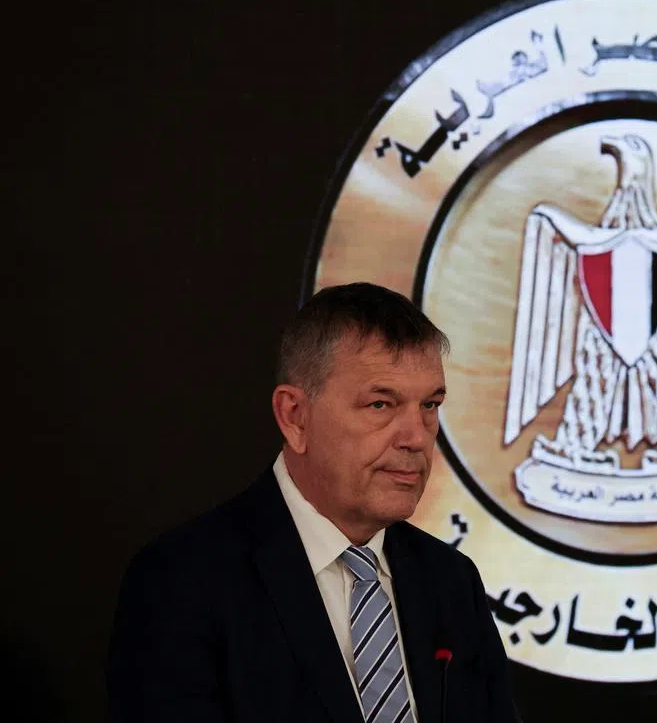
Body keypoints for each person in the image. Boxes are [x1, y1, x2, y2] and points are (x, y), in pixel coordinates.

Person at [107, 283, 518, 723]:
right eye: (381, 403)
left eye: (430, 405)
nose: (417, 437)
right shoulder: (183, 582)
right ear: (295, 417)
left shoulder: (452, 583)